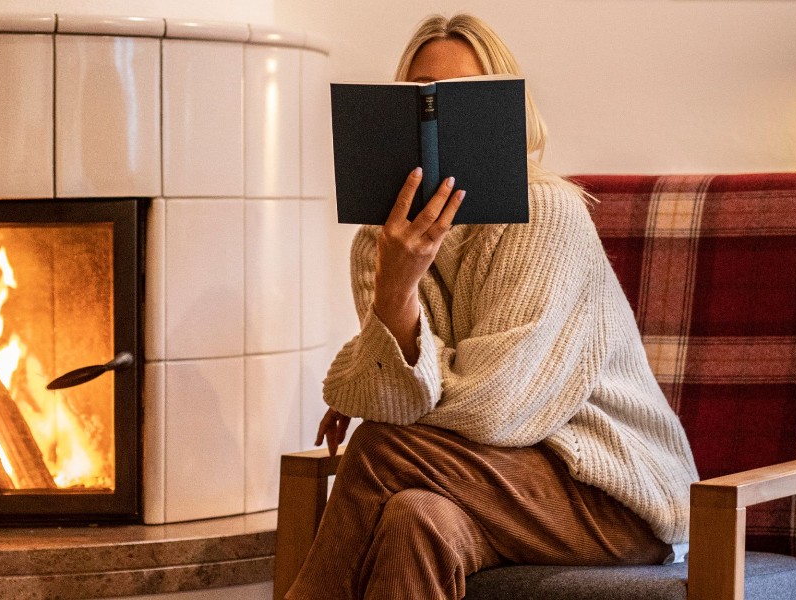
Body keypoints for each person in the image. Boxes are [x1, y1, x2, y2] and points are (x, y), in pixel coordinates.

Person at [285, 13, 699, 600]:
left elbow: (496, 410)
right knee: (414, 519)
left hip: (613, 496)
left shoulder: (549, 216)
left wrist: (373, 395)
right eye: (422, 99)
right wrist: (396, 291)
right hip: (482, 488)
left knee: (383, 446)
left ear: (505, 112)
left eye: (463, 98)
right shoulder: (379, 248)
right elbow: (411, 402)